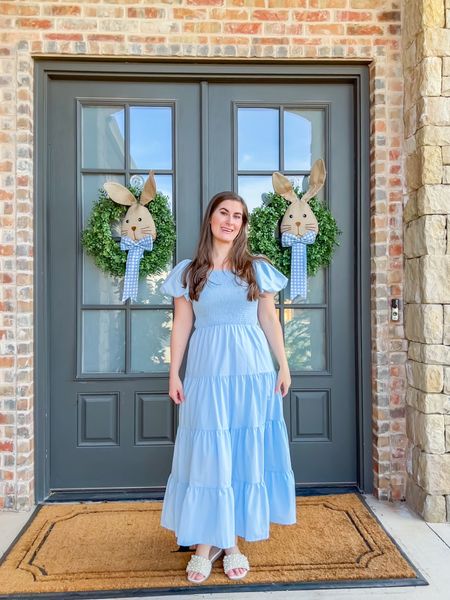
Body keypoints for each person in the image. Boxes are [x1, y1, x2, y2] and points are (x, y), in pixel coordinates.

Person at [159, 191, 296, 584]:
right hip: (207, 373)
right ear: (211, 219)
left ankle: (231, 543)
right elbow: (182, 325)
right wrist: (174, 372)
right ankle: (206, 543)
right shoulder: (189, 272)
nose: (230, 221)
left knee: (240, 453)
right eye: (224, 213)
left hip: (252, 374)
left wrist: (283, 366)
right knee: (209, 455)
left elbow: (269, 320)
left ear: (243, 225)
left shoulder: (255, 269)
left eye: (238, 216)